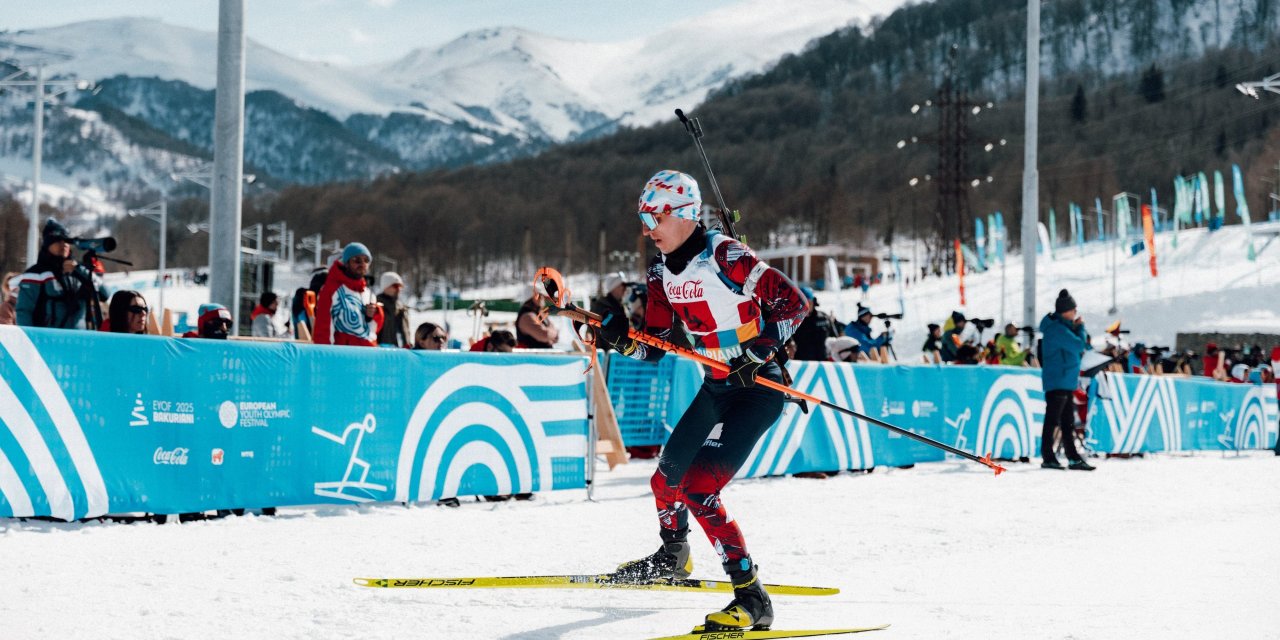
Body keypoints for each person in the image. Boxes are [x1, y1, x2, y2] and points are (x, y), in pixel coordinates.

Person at [598, 170, 807, 631]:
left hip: (757, 389)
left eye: (654, 215)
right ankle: (673, 555)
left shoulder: (724, 254)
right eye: (643, 215)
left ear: (685, 213)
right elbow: (654, 348)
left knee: (698, 486)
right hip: (716, 386)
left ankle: (752, 598)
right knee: (664, 481)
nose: (647, 226)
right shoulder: (658, 271)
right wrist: (618, 339)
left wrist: (758, 352)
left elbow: (794, 304)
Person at [1038, 289, 1095, 471]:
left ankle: (1072, 457)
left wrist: (1077, 329)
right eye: (1073, 310)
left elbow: (1081, 344)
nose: (1075, 314)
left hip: (1064, 380)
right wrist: (1080, 328)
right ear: (1066, 311)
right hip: (1058, 380)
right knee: (1053, 420)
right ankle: (1049, 456)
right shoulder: (1057, 329)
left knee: (1067, 422)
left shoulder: (1061, 328)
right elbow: (1078, 345)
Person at [16, 219, 100, 330]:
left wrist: (79, 270)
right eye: (58, 241)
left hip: (80, 341)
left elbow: (105, 294)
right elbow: (24, 312)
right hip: (48, 342)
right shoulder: (35, 275)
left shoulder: (79, 270)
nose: (64, 244)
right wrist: (29, 342)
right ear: (47, 244)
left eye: (67, 241)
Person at [312, 243, 384, 347]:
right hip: (343, 356)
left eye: (366, 260)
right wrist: (325, 356)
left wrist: (375, 314)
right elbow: (323, 329)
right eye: (357, 260)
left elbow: (373, 331)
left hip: (367, 355)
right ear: (346, 263)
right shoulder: (332, 290)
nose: (362, 264)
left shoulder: (368, 293)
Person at [791, 285, 837, 361]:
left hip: (823, 365)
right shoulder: (791, 321)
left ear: (814, 302)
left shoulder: (824, 318)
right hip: (802, 366)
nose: (806, 306)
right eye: (802, 303)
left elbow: (835, 340)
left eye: (809, 303)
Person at [590, 272, 631, 352]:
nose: (625, 289)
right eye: (622, 285)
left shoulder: (622, 306)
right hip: (603, 353)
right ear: (614, 287)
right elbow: (595, 330)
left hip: (619, 353)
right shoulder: (600, 306)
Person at [376, 272, 412, 348]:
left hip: (399, 352)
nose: (398, 289)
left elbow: (405, 332)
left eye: (400, 286)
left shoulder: (401, 308)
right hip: (380, 351)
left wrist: (407, 344)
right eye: (395, 286)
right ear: (385, 286)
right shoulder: (376, 306)